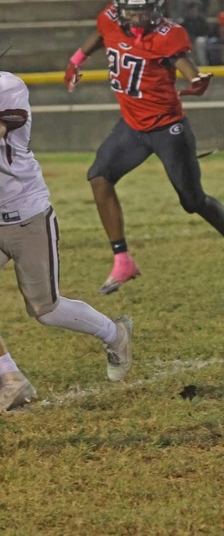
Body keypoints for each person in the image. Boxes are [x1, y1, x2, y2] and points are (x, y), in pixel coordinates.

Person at [62, 0, 224, 295]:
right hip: (132, 126)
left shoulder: (168, 35)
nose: (139, 18)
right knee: (99, 176)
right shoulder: (110, 19)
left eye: (145, 12)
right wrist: (75, 60)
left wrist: (196, 79)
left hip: (168, 128)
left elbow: (184, 63)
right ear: (120, 8)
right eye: (133, 12)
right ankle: (122, 259)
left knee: (193, 200)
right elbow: (101, 34)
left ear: (157, 9)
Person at [1, 68, 134, 410]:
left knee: (45, 310)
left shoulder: (8, 85)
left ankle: (113, 333)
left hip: (24, 214)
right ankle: (10, 380)